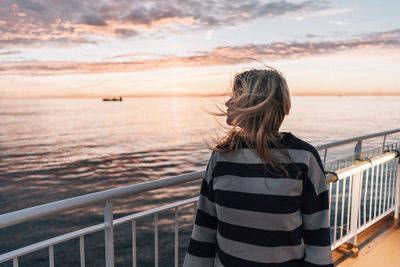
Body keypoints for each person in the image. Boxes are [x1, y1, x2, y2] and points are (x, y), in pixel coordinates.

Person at [183, 68, 333, 267]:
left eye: (234, 96)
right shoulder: (222, 156)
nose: (228, 103)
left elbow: (318, 241)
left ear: (253, 105)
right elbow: (204, 228)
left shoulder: (304, 158)